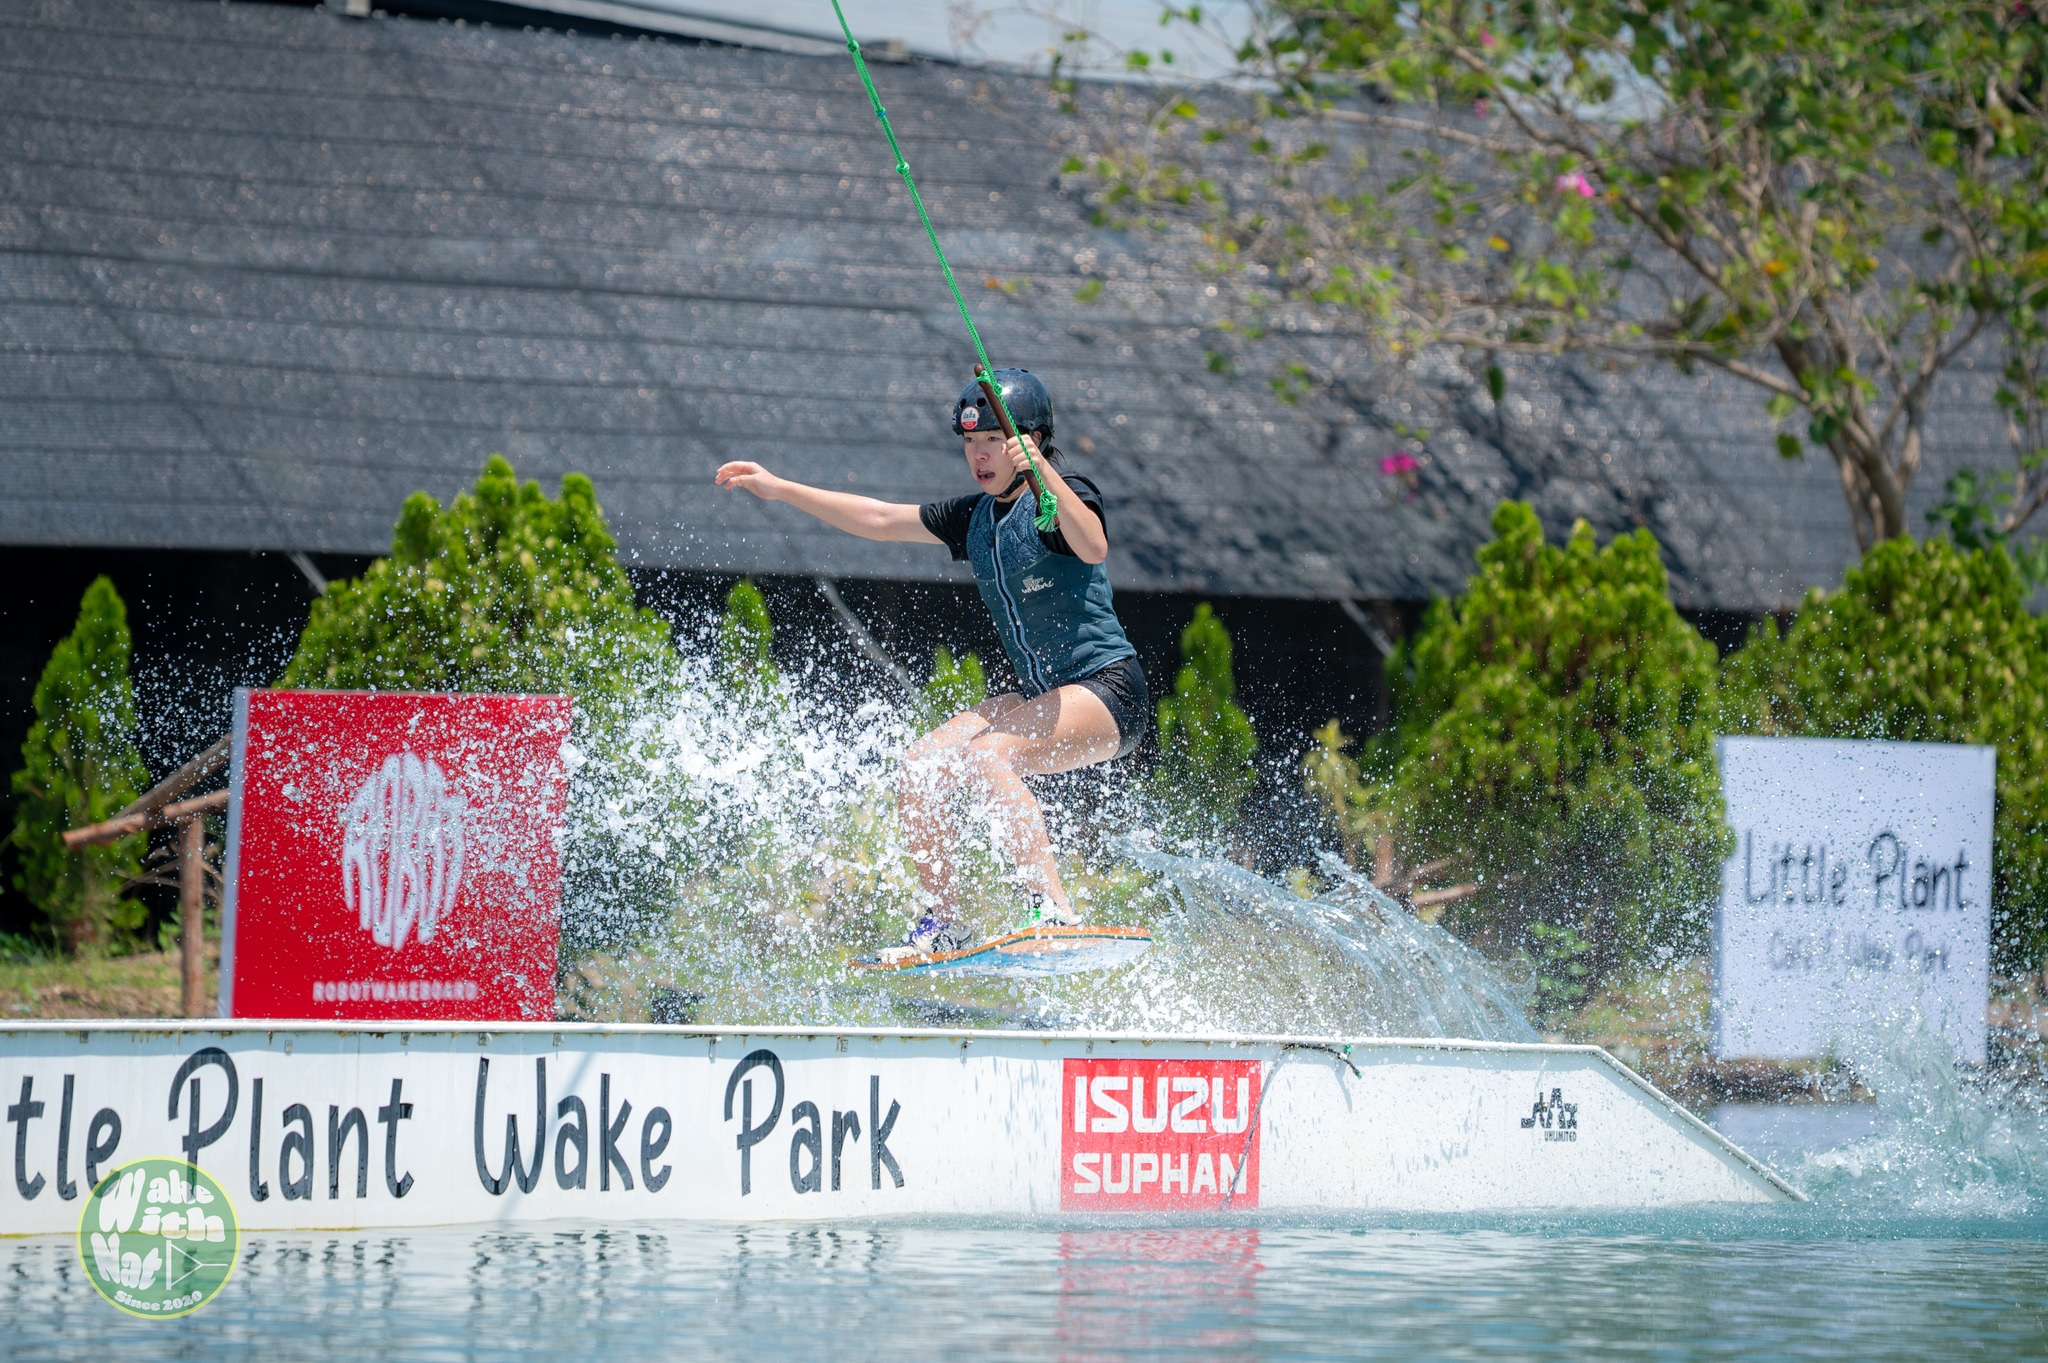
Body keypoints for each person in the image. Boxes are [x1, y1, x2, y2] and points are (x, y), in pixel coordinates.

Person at [714, 369, 1148, 961]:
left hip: (1109, 690)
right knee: (922, 765)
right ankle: (947, 921)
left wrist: (1043, 470)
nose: (979, 456)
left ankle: (1051, 908)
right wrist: (782, 488)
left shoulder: (1059, 500)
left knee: (988, 754)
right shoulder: (973, 518)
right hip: (1039, 694)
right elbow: (878, 519)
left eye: (992, 441)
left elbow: (1093, 544)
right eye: (970, 444)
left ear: (1031, 439)